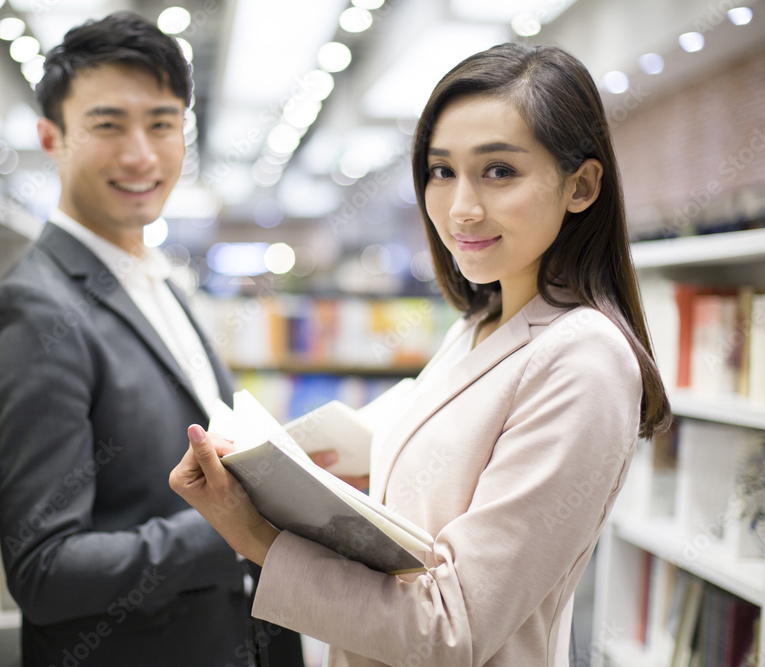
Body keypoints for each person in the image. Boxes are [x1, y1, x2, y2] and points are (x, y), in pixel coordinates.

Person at [169, 42, 672, 666]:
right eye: (442, 171)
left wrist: (256, 537)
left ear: (582, 185)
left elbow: (450, 629)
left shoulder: (584, 359)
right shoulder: (481, 322)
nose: (461, 207)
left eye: (499, 171)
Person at [0, 12, 303, 667]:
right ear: (51, 138)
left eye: (162, 123)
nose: (141, 154)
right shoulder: (35, 309)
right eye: (107, 124)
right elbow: (44, 567)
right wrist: (241, 524)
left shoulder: (160, 280)